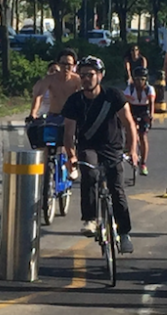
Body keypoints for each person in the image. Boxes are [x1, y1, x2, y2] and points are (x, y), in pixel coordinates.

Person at [62, 55, 139, 253]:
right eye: (83, 75)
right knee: (90, 172)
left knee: (116, 189)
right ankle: (90, 219)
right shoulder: (74, 101)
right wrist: (71, 155)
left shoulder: (113, 96)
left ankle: (124, 233)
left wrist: (132, 150)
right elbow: (68, 133)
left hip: (112, 147)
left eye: (91, 74)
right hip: (88, 147)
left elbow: (129, 124)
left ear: (101, 76)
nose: (86, 79)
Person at [123, 66, 156, 175]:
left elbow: (151, 103)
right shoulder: (130, 89)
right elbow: (125, 104)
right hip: (132, 110)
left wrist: (151, 116)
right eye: (136, 79)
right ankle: (129, 147)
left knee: (143, 136)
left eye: (142, 79)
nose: (139, 82)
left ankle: (143, 163)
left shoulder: (149, 89)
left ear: (146, 79)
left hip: (144, 111)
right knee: (131, 132)